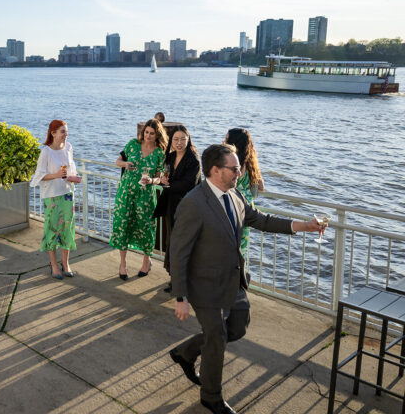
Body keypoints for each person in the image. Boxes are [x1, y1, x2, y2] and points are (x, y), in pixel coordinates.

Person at [169, 144, 320, 414]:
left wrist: (302, 226)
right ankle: (211, 396)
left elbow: (261, 219)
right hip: (203, 286)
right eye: (235, 168)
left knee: (237, 328)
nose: (240, 172)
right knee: (216, 336)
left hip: (233, 281)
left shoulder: (235, 195)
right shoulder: (193, 203)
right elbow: (179, 253)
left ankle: (187, 352)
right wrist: (180, 296)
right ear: (215, 170)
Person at [110, 118, 167, 279]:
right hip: (125, 193)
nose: (148, 135)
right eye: (146, 132)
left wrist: (151, 181)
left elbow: (159, 177)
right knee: (123, 224)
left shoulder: (159, 153)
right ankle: (123, 264)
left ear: (157, 135)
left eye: (152, 133)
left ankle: (146, 261)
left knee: (146, 227)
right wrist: (125, 164)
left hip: (146, 195)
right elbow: (117, 161)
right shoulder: (133, 144)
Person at [29, 120, 81, 280]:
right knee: (51, 230)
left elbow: (70, 170)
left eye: (66, 131)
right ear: (53, 133)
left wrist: (73, 178)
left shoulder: (69, 148)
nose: (66, 135)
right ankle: (53, 265)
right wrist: (57, 175)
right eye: (63, 132)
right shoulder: (46, 152)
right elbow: (39, 176)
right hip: (51, 196)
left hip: (67, 195)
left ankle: (65, 263)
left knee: (67, 229)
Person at [155, 125, 201, 292]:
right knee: (172, 241)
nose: (179, 142)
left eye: (183, 139)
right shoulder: (170, 156)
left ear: (188, 140)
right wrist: (161, 180)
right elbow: (164, 176)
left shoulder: (193, 159)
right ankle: (175, 278)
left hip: (187, 207)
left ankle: (183, 281)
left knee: (183, 243)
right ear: (171, 141)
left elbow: (189, 184)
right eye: (176, 139)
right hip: (171, 205)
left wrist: (169, 184)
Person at [224, 128, 265, 256]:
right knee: (241, 246)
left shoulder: (229, 162)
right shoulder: (250, 164)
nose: (223, 141)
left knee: (226, 243)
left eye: (226, 138)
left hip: (231, 206)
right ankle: (239, 271)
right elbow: (261, 187)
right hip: (247, 209)